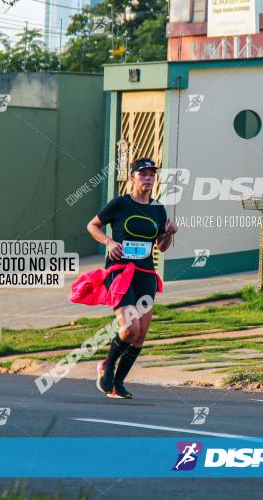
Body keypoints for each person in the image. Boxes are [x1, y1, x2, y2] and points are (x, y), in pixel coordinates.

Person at [86, 157, 178, 399]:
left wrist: (169, 233)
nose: (148, 178)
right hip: (120, 272)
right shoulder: (119, 204)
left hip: (145, 274)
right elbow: (92, 226)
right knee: (129, 327)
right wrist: (109, 241)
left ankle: (117, 384)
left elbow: (162, 246)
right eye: (143, 174)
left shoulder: (158, 209)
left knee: (141, 334)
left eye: (151, 174)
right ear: (132, 177)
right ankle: (106, 365)